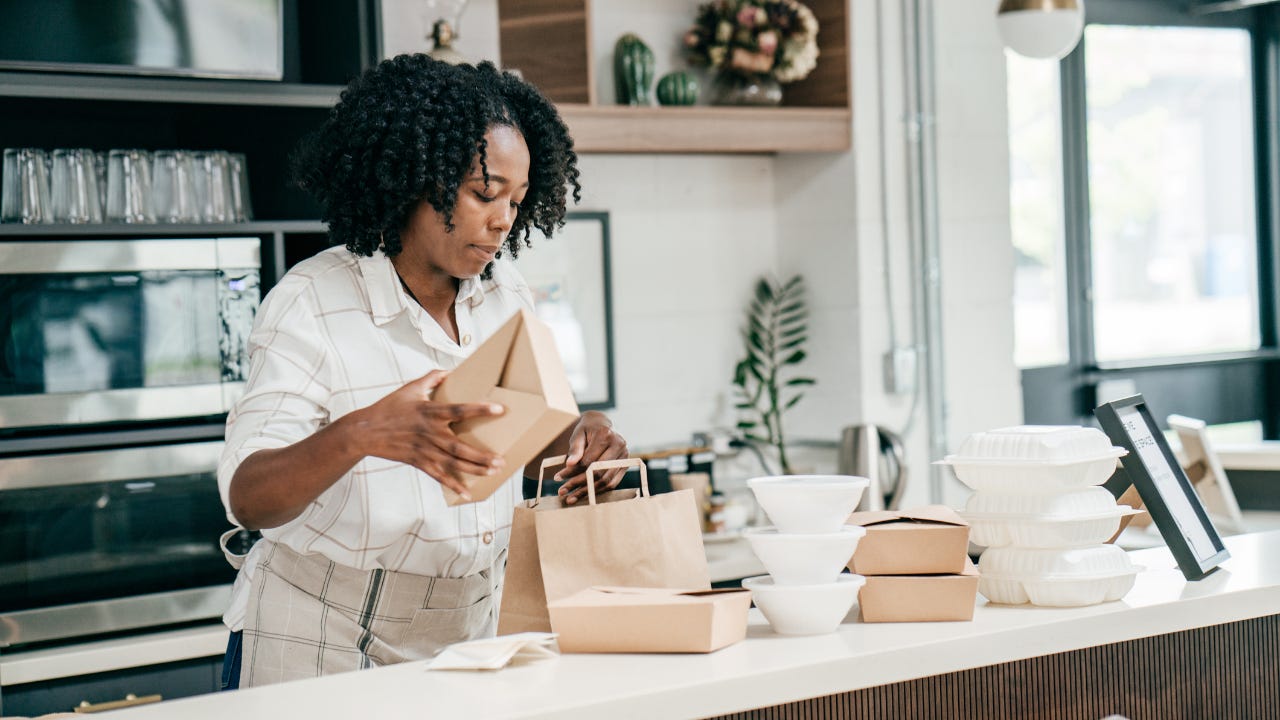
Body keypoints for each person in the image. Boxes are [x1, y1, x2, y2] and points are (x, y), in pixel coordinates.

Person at [216, 55, 629, 689]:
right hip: (321, 636)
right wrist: (362, 434)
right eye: (484, 193)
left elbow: (529, 440)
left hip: (471, 635)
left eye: (516, 202)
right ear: (416, 177)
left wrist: (582, 440)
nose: (502, 220)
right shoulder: (313, 300)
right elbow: (250, 498)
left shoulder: (505, 295)